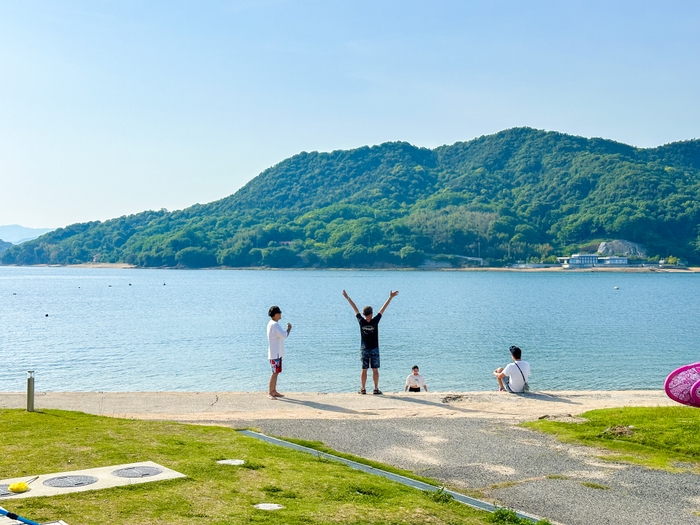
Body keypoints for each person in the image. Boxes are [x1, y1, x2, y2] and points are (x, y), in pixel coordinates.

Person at [342, 289, 399, 395]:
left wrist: (390, 297)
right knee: (364, 369)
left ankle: (376, 388)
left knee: (375, 369)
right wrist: (348, 298)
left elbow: (383, 309)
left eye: (370, 315)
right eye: (368, 315)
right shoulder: (361, 320)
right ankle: (363, 389)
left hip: (374, 348)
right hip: (364, 349)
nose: (369, 317)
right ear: (365, 314)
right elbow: (354, 308)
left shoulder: (375, 320)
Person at [267, 305, 292, 400]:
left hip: (275, 352)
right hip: (275, 353)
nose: (280, 314)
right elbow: (284, 335)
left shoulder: (271, 323)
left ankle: (274, 391)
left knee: (276, 372)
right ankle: (270, 392)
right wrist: (289, 329)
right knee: (274, 372)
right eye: (279, 313)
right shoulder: (274, 325)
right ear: (276, 314)